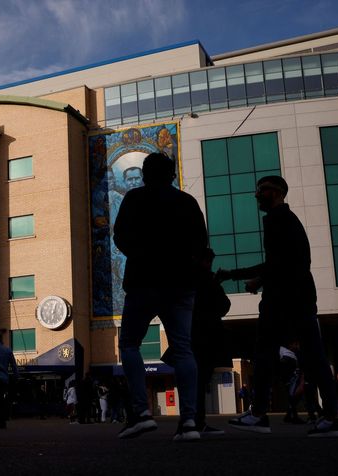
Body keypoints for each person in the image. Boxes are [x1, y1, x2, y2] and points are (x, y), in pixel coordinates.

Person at [218, 175, 338, 437]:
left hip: (282, 297)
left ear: (276, 192)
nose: (256, 195)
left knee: (264, 353)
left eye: (261, 190)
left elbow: (279, 263)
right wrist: (260, 279)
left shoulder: (278, 220)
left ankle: (258, 415)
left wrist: (236, 274)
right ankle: (332, 416)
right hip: (300, 295)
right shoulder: (288, 221)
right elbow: (288, 261)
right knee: (315, 356)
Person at [114, 152, 208, 441]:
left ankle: (142, 413)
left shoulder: (134, 199)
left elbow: (119, 236)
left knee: (130, 344)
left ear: (144, 174)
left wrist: (142, 255)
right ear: (172, 174)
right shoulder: (187, 202)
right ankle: (190, 421)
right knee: (183, 348)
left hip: (143, 281)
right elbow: (201, 244)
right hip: (181, 283)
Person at [162, 247, 231, 436]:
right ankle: (195, 421)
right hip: (206, 337)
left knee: (190, 381)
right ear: (205, 261)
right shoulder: (207, 280)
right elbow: (224, 305)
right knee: (200, 382)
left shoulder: (184, 279)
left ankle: (189, 421)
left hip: (188, 335)